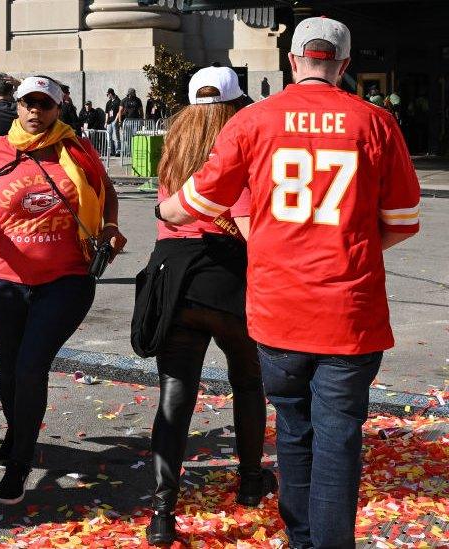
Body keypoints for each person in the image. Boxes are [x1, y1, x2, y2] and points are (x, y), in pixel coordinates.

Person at [157, 17, 421, 548]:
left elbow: (199, 201)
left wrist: (165, 207)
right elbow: (402, 220)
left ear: (294, 60)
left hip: (278, 310)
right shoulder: (374, 122)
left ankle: (301, 538)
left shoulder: (256, 121)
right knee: (339, 440)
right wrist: (351, 246)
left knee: (295, 431)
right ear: (344, 65)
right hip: (349, 310)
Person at [0, 75, 126, 505]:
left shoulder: (76, 148)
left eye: (45, 105)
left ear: (58, 109)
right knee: (8, 370)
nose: (36, 112)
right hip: (5, 280)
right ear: (15, 106)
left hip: (67, 280)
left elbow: (105, 191)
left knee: (31, 367)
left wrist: (109, 226)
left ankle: (19, 462)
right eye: (28, 104)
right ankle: (19, 433)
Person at [137, 66, 276, 546]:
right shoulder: (239, 147)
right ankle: (252, 482)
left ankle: (161, 512)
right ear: (237, 106)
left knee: (174, 396)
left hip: (174, 278)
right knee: (248, 381)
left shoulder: (174, 148)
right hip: (228, 276)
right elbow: (246, 216)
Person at [105, 88, 121, 155]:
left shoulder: (118, 101)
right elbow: (107, 113)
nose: (107, 96)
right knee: (109, 137)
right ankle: (111, 151)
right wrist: (105, 122)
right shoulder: (108, 102)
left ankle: (118, 151)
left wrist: (116, 120)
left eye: (108, 94)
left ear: (111, 94)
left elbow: (119, 112)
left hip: (115, 121)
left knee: (116, 136)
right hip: (109, 121)